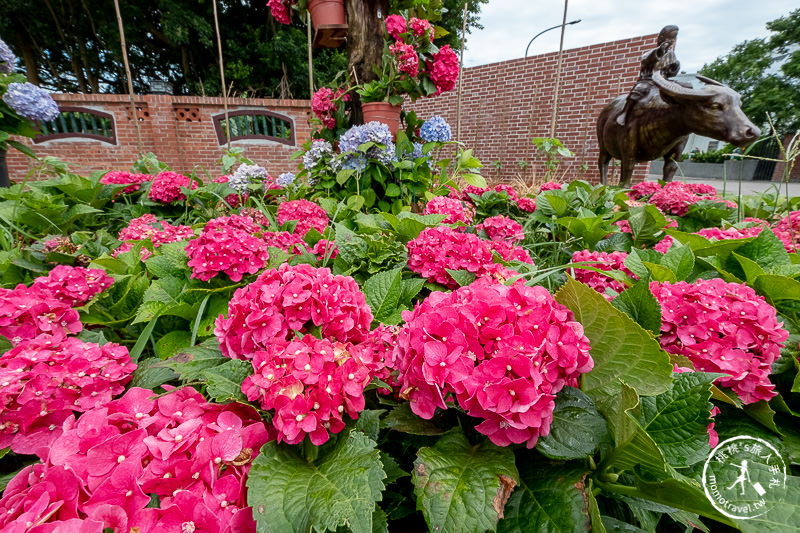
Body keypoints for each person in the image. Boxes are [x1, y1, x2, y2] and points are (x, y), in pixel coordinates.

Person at [617, 25, 680, 126]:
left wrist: (675, 66)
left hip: (663, 81)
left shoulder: (671, 54)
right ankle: (625, 113)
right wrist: (660, 50)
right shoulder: (652, 53)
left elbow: (671, 71)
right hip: (649, 80)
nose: (671, 41)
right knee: (639, 89)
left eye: (673, 39)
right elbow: (645, 60)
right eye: (669, 38)